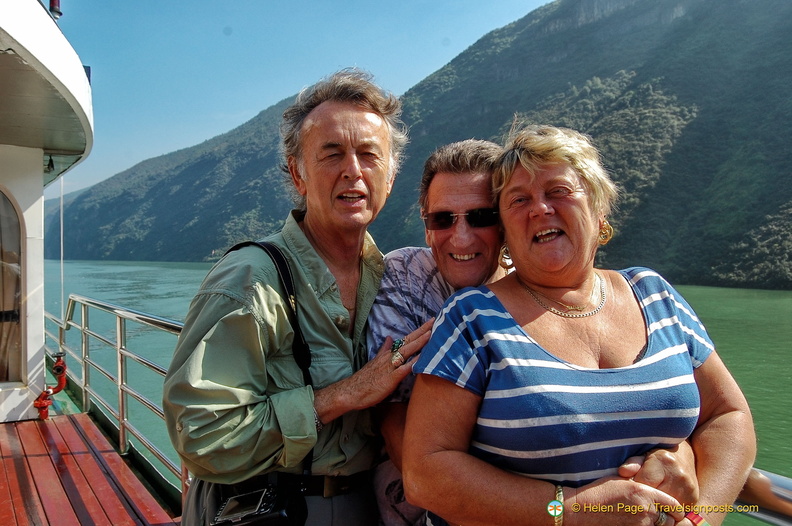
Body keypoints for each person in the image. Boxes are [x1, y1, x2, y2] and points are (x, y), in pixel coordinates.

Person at [403, 124, 756, 526]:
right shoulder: (472, 318)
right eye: (519, 199)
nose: (539, 208)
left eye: (558, 191)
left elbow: (728, 415)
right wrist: (569, 510)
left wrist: (700, 518)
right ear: (505, 230)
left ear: (599, 208)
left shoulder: (654, 294)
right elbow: (424, 474)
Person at [163, 69, 432, 526]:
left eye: (369, 154)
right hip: (271, 510)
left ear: (390, 176)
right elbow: (201, 436)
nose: (353, 170)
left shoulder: (391, 278)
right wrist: (343, 395)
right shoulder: (251, 279)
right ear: (298, 173)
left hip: (369, 506)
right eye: (332, 154)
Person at [367, 139, 508, 524]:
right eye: (443, 219)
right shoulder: (407, 276)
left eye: (480, 216)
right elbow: (389, 406)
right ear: (426, 226)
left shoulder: (534, 289)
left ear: (507, 221)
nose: (460, 237)